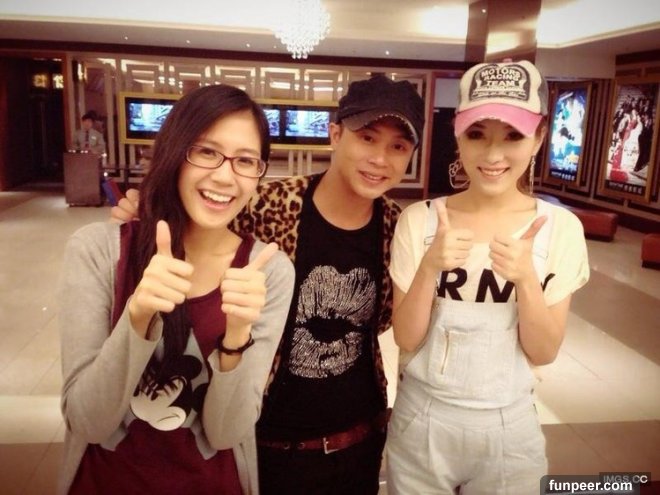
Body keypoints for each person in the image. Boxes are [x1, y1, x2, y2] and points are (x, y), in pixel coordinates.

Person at [110, 74, 425, 494]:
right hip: (266, 440)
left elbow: (387, 320)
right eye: (367, 138)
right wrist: (144, 211)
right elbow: (196, 227)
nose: (380, 159)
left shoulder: (396, 227)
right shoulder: (266, 205)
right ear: (335, 135)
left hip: (358, 438)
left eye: (398, 147)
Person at [58, 85, 295, 495]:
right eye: (206, 151)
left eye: (245, 160)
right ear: (175, 152)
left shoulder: (266, 273)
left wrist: (236, 340)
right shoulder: (98, 251)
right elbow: (87, 422)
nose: (225, 176)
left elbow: (226, 434)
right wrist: (137, 317)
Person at [386, 60, 590, 494]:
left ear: (539, 137)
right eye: (477, 135)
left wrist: (527, 281)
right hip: (422, 418)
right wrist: (429, 268)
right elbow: (406, 337)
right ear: (458, 135)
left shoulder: (560, 229)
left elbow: (544, 351)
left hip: (509, 425)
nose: (493, 155)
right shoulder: (420, 220)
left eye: (513, 136)